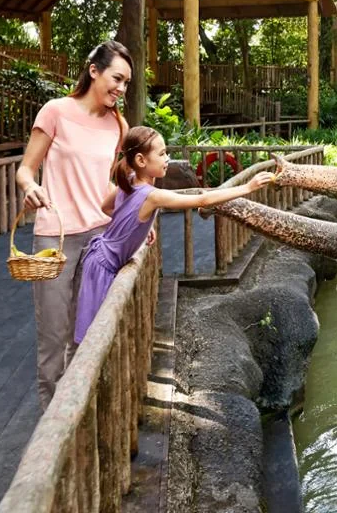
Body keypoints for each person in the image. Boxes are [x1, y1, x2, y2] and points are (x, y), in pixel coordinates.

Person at [74, 127, 275, 344]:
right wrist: (247, 187)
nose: (167, 158)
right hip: (103, 267)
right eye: (161, 154)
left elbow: (107, 208)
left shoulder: (130, 179)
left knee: (102, 334)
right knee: (95, 338)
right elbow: (203, 200)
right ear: (141, 160)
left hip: (100, 257)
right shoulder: (151, 195)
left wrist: (139, 225)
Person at [16, 41, 133, 409]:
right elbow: (25, 169)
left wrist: (138, 222)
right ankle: (50, 427)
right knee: (53, 336)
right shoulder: (55, 111)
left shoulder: (118, 124)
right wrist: (30, 187)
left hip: (99, 237)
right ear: (94, 71)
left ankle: (80, 417)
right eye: (117, 78)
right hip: (55, 236)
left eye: (127, 83)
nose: (121, 88)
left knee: (86, 334)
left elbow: (116, 184)